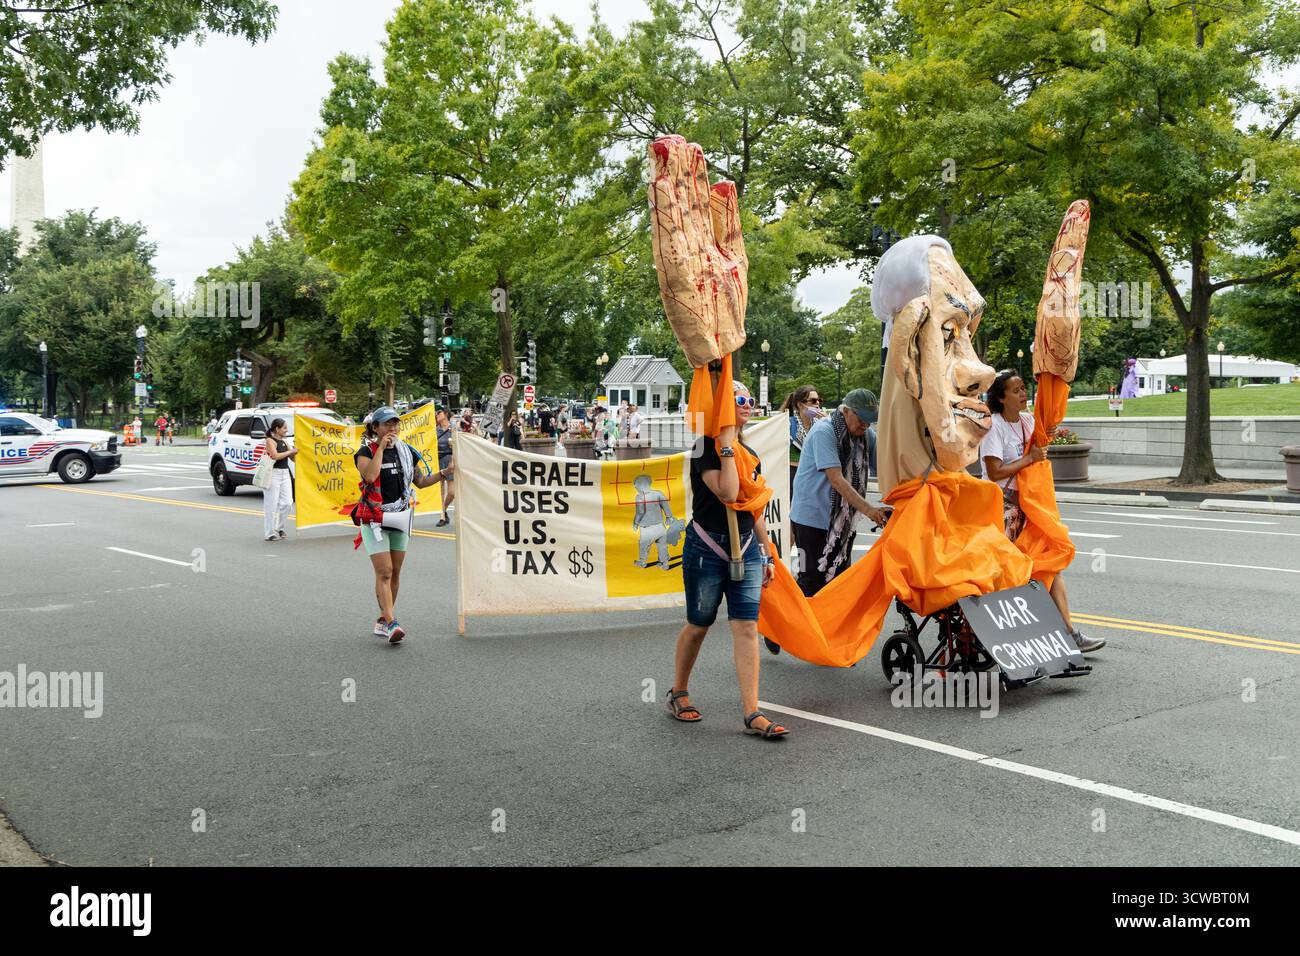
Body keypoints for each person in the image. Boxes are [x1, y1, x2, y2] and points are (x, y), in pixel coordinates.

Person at [667, 381, 788, 740]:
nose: (748, 405)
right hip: (707, 547)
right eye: (739, 400)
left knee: (747, 626)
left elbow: (752, 508)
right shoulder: (705, 447)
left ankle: (752, 712)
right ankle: (679, 691)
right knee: (699, 623)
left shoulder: (747, 452)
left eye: (751, 399)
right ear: (721, 406)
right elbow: (729, 492)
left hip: (747, 547)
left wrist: (767, 551)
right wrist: (725, 445)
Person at [981, 370, 1104, 653]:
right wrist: (1029, 458)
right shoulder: (994, 426)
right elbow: (994, 471)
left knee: (1050, 564)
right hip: (1003, 509)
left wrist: (1053, 378)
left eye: (1024, 388)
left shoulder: (1027, 421)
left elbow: (1047, 428)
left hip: (1030, 507)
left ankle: (1069, 633)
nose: (1024, 394)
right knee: (1012, 574)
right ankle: (1014, 635)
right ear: (1000, 398)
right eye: (1016, 390)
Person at [354, 406, 454, 643]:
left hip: (400, 515)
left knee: (396, 571)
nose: (393, 428)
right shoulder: (365, 452)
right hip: (374, 518)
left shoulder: (406, 451)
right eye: (387, 424)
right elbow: (369, 476)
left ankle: (382, 618)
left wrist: (444, 473)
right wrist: (380, 449)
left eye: (395, 424)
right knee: (385, 572)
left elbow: (419, 480)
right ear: (375, 428)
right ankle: (391, 623)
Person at [780, 385, 825, 487]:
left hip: (815, 475)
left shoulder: (821, 425)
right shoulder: (788, 424)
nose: (817, 403)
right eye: (813, 401)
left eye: (819, 400)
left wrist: (828, 423)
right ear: (800, 405)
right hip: (793, 475)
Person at [262, 418, 297, 541]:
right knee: (271, 505)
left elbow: (293, 459)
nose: (286, 430)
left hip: (285, 473)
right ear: (277, 429)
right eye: (284, 428)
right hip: (273, 474)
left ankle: (279, 527)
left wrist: (295, 451)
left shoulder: (285, 442)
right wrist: (290, 451)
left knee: (288, 502)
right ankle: (269, 533)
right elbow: (275, 455)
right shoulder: (270, 440)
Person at [435, 407, 456, 527]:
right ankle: (442, 516)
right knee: (441, 491)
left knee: (452, 492)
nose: (437, 415)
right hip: (438, 460)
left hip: (450, 460)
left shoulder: (453, 428)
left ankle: (445, 509)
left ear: (446, 414)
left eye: (439, 412)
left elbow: (457, 445)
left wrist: (453, 461)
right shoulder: (435, 431)